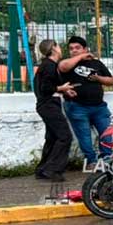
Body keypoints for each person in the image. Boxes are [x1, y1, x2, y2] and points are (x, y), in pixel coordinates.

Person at [58, 36, 113, 166]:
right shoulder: (67, 63)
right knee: (84, 136)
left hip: (99, 107)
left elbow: (111, 81)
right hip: (77, 106)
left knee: (107, 133)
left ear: (84, 48)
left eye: (77, 48)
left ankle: (107, 159)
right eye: (71, 48)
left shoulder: (96, 63)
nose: (74, 50)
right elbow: (63, 67)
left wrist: (98, 78)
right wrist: (81, 56)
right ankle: (91, 161)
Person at [33, 39, 76, 181]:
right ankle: (52, 169)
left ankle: (43, 168)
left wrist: (64, 91)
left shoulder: (47, 66)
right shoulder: (49, 66)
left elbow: (48, 86)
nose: (60, 48)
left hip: (48, 104)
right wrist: (61, 88)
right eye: (58, 46)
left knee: (52, 138)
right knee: (64, 136)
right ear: (54, 49)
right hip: (49, 105)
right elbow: (46, 88)